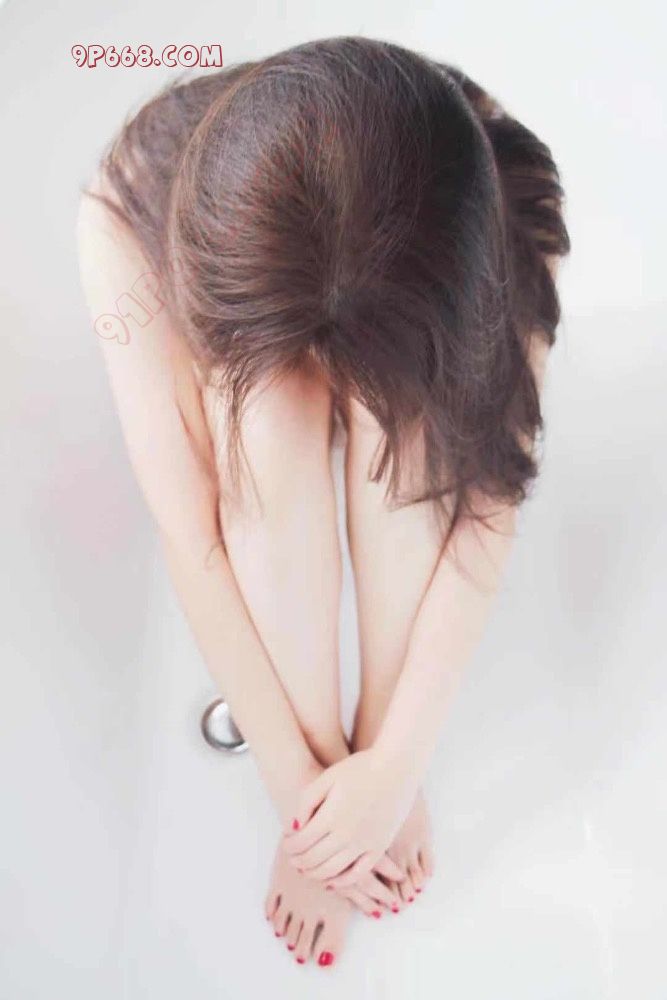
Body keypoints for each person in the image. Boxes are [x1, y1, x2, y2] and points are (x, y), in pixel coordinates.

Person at [77, 35, 570, 968]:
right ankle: (329, 782)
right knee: (263, 419)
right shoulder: (128, 209)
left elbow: (486, 500)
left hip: (409, 307)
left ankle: (366, 756)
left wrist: (395, 763)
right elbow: (193, 535)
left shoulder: (497, 214)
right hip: (263, 329)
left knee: (410, 425)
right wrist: (300, 798)